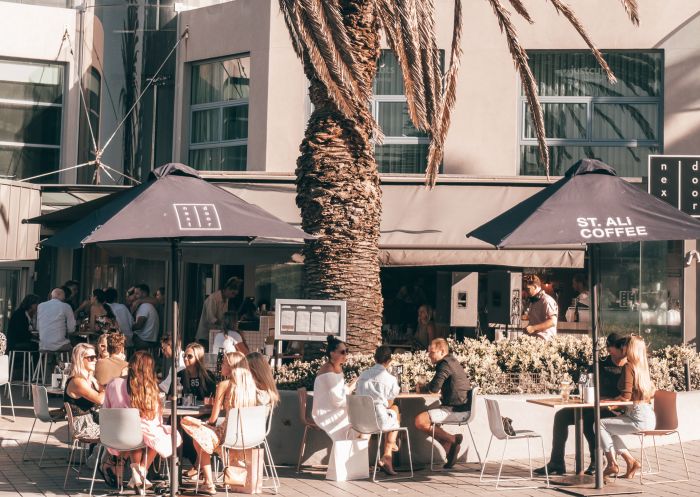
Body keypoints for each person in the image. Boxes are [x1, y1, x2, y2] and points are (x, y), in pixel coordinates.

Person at [535, 333, 628, 476]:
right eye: (620, 347)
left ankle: (597, 461)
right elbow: (583, 382)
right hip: (592, 405)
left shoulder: (629, 368)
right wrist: (582, 384)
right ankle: (557, 462)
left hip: (614, 408)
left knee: (589, 420)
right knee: (561, 416)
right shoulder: (599, 365)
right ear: (610, 349)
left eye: (625, 347)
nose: (624, 350)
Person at [180, 351, 258, 495]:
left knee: (198, 438)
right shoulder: (251, 386)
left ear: (231, 366)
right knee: (203, 437)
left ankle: (209, 482)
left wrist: (204, 423)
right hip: (250, 436)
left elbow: (213, 419)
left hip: (228, 435)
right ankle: (204, 479)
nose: (221, 366)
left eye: (223, 363)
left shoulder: (224, 385)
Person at [600, 335, 656, 480]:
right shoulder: (642, 367)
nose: (622, 347)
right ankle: (631, 462)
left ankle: (612, 464)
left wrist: (607, 402)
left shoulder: (628, 366)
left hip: (637, 417)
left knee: (599, 424)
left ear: (630, 348)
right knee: (608, 429)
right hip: (647, 415)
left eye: (626, 345)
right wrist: (612, 402)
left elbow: (625, 397)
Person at [414, 338, 472, 469]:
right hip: (459, 406)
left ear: (442, 351)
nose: (429, 355)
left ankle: (453, 439)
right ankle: (449, 447)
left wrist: (420, 388)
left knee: (420, 421)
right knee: (426, 423)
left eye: (432, 352)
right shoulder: (451, 361)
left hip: (457, 409)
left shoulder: (445, 363)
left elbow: (434, 388)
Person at [356, 345, 401, 475]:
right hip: (379, 422)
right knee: (396, 408)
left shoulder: (363, 375)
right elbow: (390, 403)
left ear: (374, 358)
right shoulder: (391, 379)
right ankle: (388, 451)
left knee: (392, 411)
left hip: (362, 420)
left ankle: (388, 450)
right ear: (389, 361)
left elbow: (358, 395)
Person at [312, 335, 357, 442]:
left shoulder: (337, 367)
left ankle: (351, 455)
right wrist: (351, 387)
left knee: (360, 422)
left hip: (336, 408)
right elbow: (337, 399)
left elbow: (339, 392)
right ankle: (347, 455)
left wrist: (350, 386)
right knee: (359, 424)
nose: (345, 354)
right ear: (332, 353)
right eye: (342, 352)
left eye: (347, 351)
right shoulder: (328, 370)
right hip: (326, 413)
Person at [64, 343, 103, 440]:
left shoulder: (89, 378)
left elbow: (102, 392)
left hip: (92, 421)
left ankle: (98, 455)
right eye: (91, 358)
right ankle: (96, 455)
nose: (95, 360)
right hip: (83, 426)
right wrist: (111, 384)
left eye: (96, 357)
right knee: (119, 433)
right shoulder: (78, 381)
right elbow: (100, 399)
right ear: (80, 359)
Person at [195, 277, 242, 344]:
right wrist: (225, 323)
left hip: (215, 334)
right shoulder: (213, 298)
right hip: (205, 336)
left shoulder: (226, 299)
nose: (233, 296)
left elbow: (223, 316)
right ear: (227, 288)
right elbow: (211, 318)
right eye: (233, 293)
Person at [37, 288, 76, 352]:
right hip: (60, 345)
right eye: (64, 296)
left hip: (43, 345)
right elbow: (71, 329)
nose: (65, 298)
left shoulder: (40, 306)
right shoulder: (66, 306)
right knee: (74, 346)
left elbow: (38, 328)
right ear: (59, 295)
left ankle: (49, 360)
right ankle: (64, 361)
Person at [522, 274, 558, 340]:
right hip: (535, 339)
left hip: (545, 340)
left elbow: (553, 321)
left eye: (527, 289)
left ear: (535, 287)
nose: (526, 292)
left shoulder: (546, 300)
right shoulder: (533, 300)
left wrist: (533, 328)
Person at [132, 284, 160, 350]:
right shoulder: (148, 305)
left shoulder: (144, 306)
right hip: (150, 340)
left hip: (144, 340)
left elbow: (139, 325)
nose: (135, 296)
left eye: (137, 294)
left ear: (144, 294)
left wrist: (128, 327)